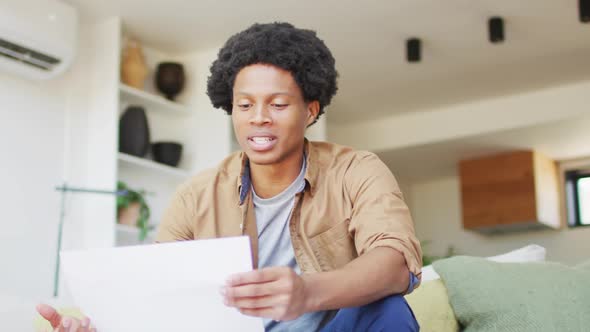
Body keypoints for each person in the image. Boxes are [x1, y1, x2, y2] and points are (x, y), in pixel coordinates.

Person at [38, 22, 422, 332]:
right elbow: (157, 297)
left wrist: (307, 292)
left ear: (310, 111)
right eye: (245, 104)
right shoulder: (196, 195)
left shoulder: (356, 171)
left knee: (387, 308)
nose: (259, 117)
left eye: (278, 103)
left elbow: (396, 262)